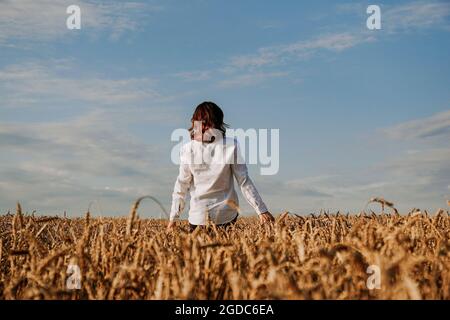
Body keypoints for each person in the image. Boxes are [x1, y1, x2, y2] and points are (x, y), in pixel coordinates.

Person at [167, 101, 274, 232]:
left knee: (198, 253)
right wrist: (261, 209)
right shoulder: (231, 145)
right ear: (219, 122)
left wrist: (173, 218)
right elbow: (243, 181)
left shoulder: (187, 149)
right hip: (226, 215)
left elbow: (181, 186)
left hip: (198, 217)